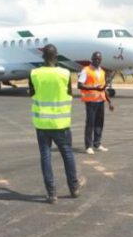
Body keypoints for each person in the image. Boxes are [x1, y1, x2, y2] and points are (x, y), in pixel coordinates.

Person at [29, 44, 85, 204]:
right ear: (57, 56)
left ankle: (51, 192)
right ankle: (74, 188)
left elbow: (32, 93)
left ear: (42, 57)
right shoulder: (65, 73)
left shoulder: (34, 73)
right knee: (67, 154)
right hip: (61, 122)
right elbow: (68, 93)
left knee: (45, 156)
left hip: (42, 123)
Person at [78, 51, 114, 155]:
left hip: (100, 100)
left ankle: (97, 143)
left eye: (99, 59)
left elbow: (103, 88)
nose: (97, 60)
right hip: (90, 101)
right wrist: (94, 87)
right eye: (95, 59)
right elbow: (80, 85)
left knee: (99, 123)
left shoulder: (102, 71)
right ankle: (88, 146)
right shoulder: (86, 70)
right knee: (90, 124)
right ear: (92, 59)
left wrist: (109, 102)